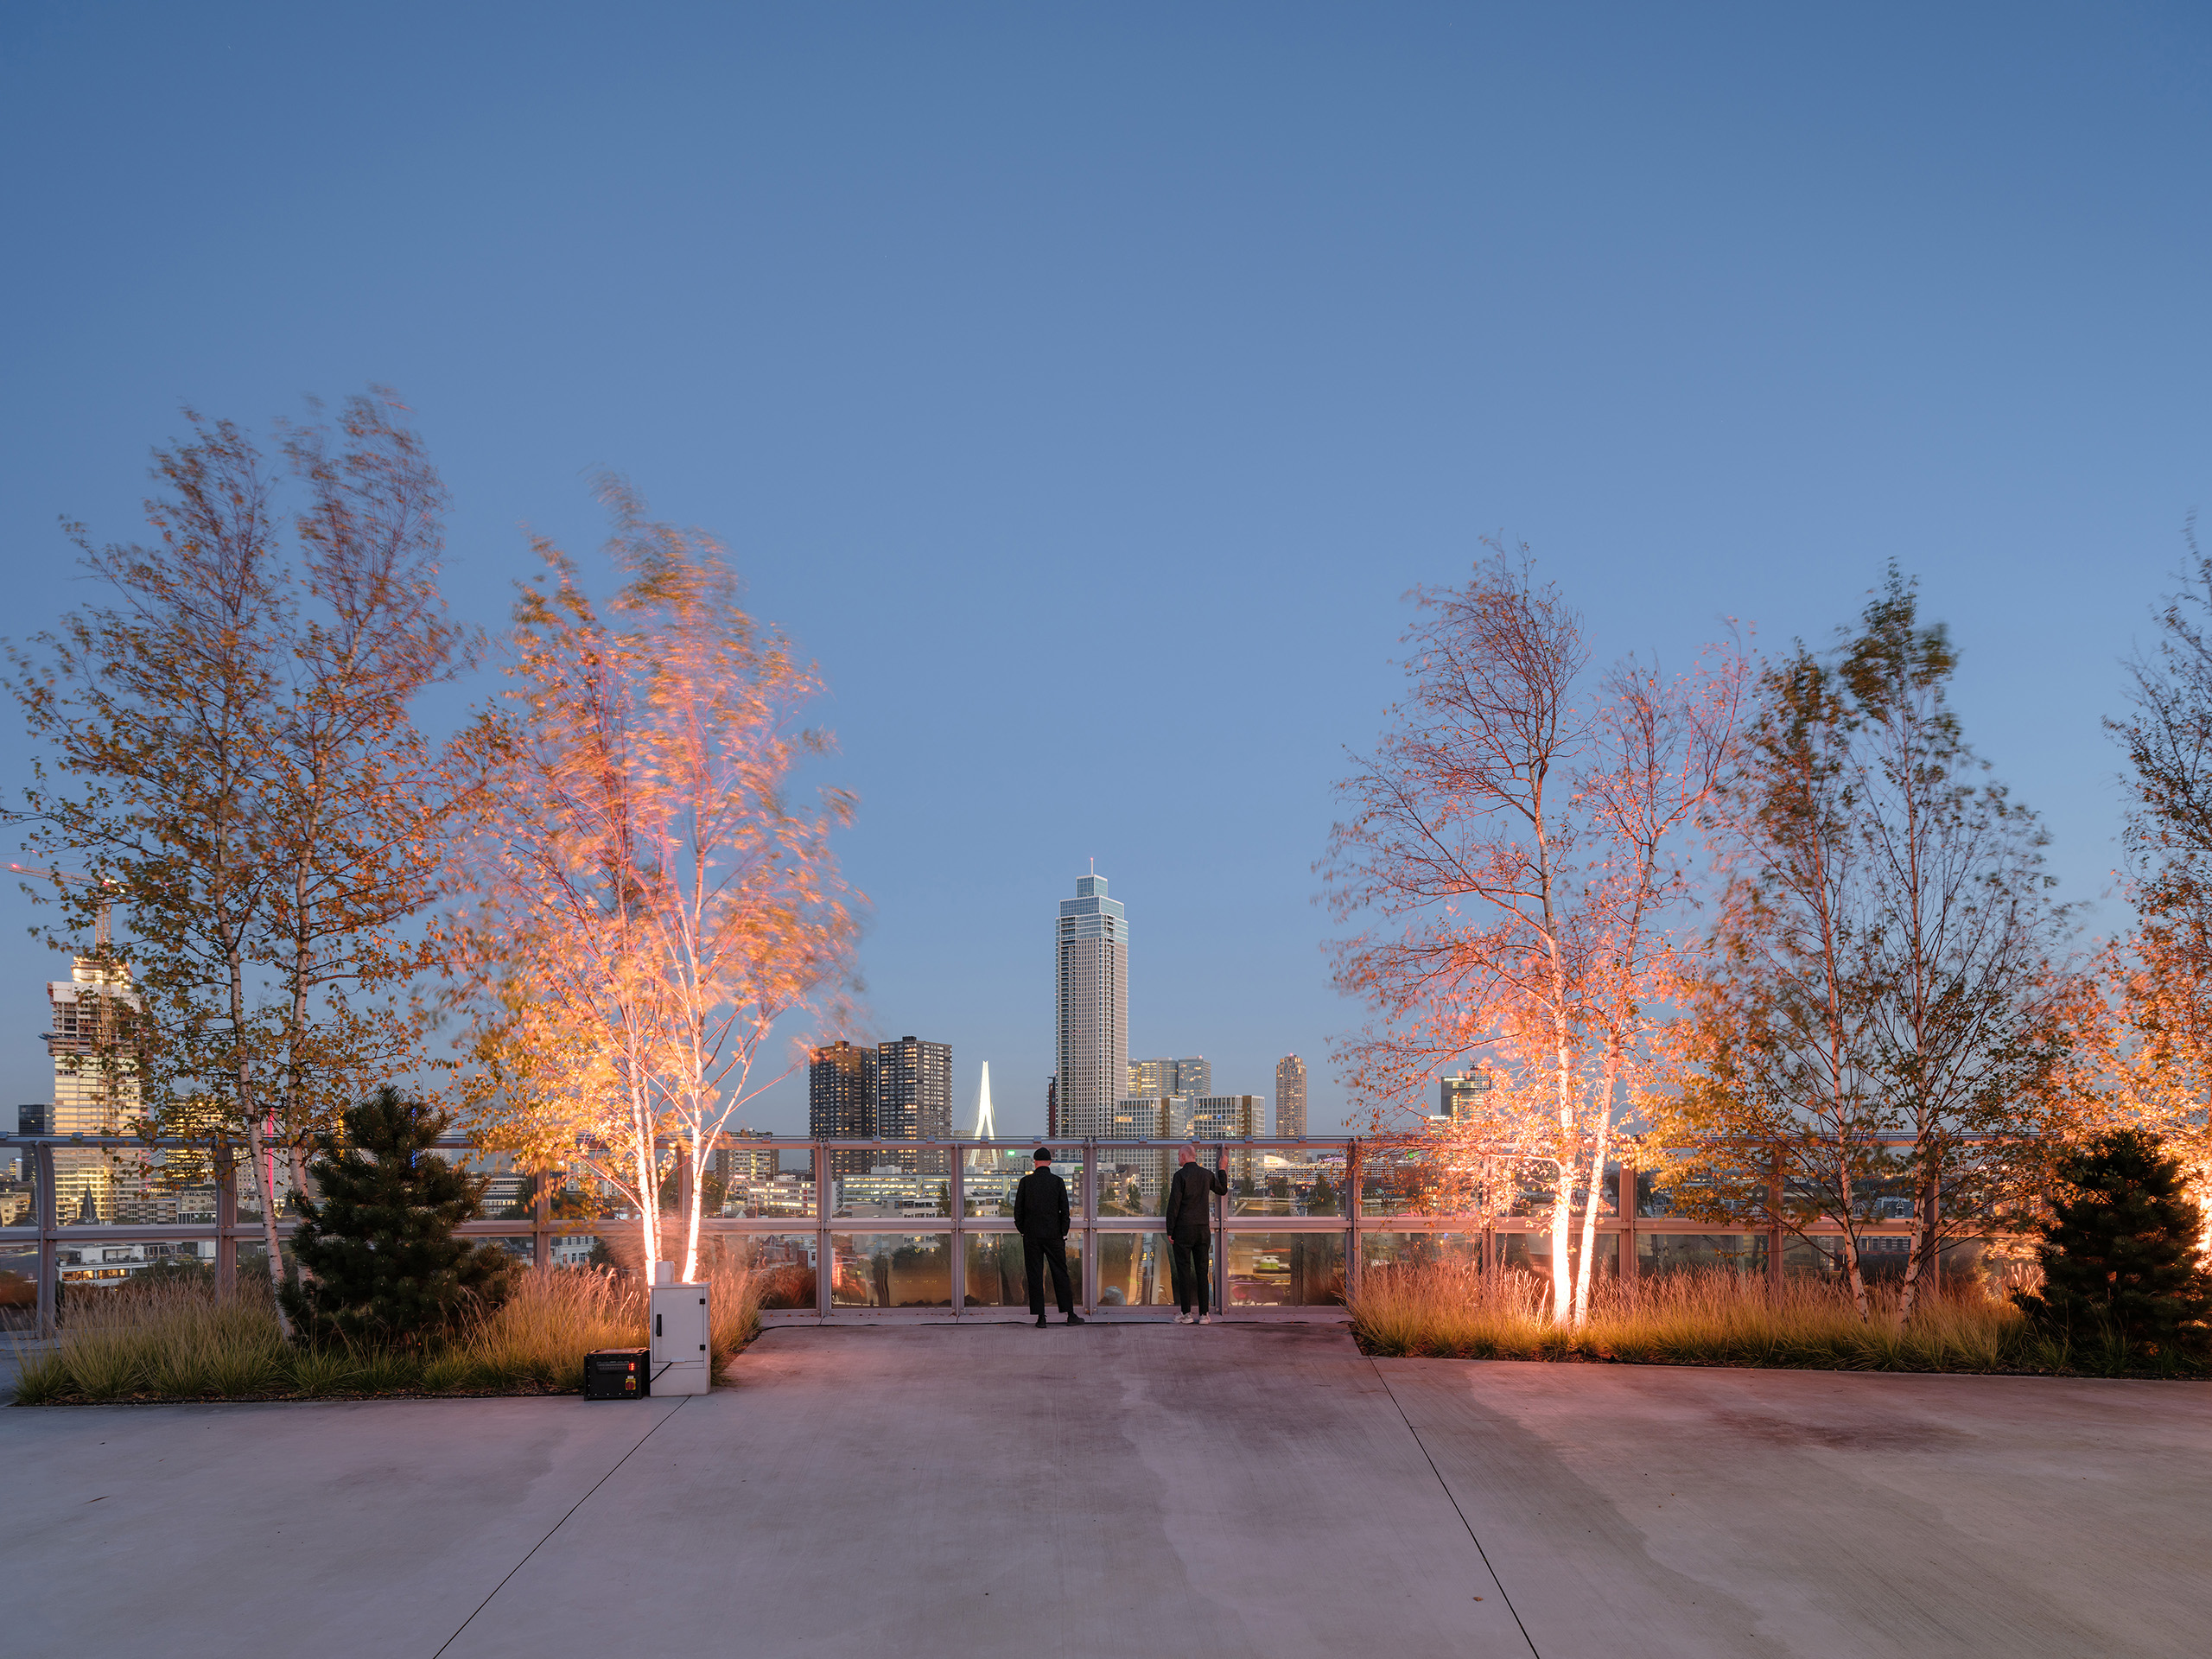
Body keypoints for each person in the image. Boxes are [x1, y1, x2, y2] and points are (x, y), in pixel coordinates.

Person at [1014, 1147, 1083, 1327]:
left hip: (1032, 1236)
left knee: (1035, 1275)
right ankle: (1070, 1314)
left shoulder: (1026, 1182)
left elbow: (1018, 1211)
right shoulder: (1058, 1182)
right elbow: (1065, 1211)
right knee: (1060, 1273)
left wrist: (1023, 1230)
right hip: (1054, 1236)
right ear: (1050, 1162)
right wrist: (1063, 1232)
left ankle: (1041, 1318)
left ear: (1035, 1162)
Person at [1164, 1142, 1227, 1324]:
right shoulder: (1206, 1175)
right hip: (1202, 1230)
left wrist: (1170, 1231)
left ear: (1184, 1157)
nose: (1178, 1158)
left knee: (1184, 1271)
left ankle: (1186, 1313)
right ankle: (1205, 1315)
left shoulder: (1180, 1176)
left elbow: (1173, 1205)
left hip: (1183, 1230)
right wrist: (1222, 1169)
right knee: (1202, 1271)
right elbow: (1222, 1190)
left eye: (1178, 1156)